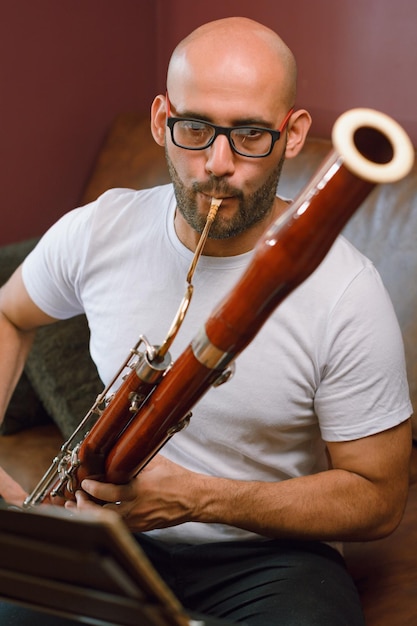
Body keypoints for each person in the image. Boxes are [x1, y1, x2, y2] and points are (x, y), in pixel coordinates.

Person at [0, 16, 412, 626]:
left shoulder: (347, 289)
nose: (217, 164)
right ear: (161, 119)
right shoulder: (98, 230)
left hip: (271, 559)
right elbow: (9, 312)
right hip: (106, 534)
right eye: (194, 128)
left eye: (249, 135)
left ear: (293, 134)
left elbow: (379, 498)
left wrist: (203, 498)